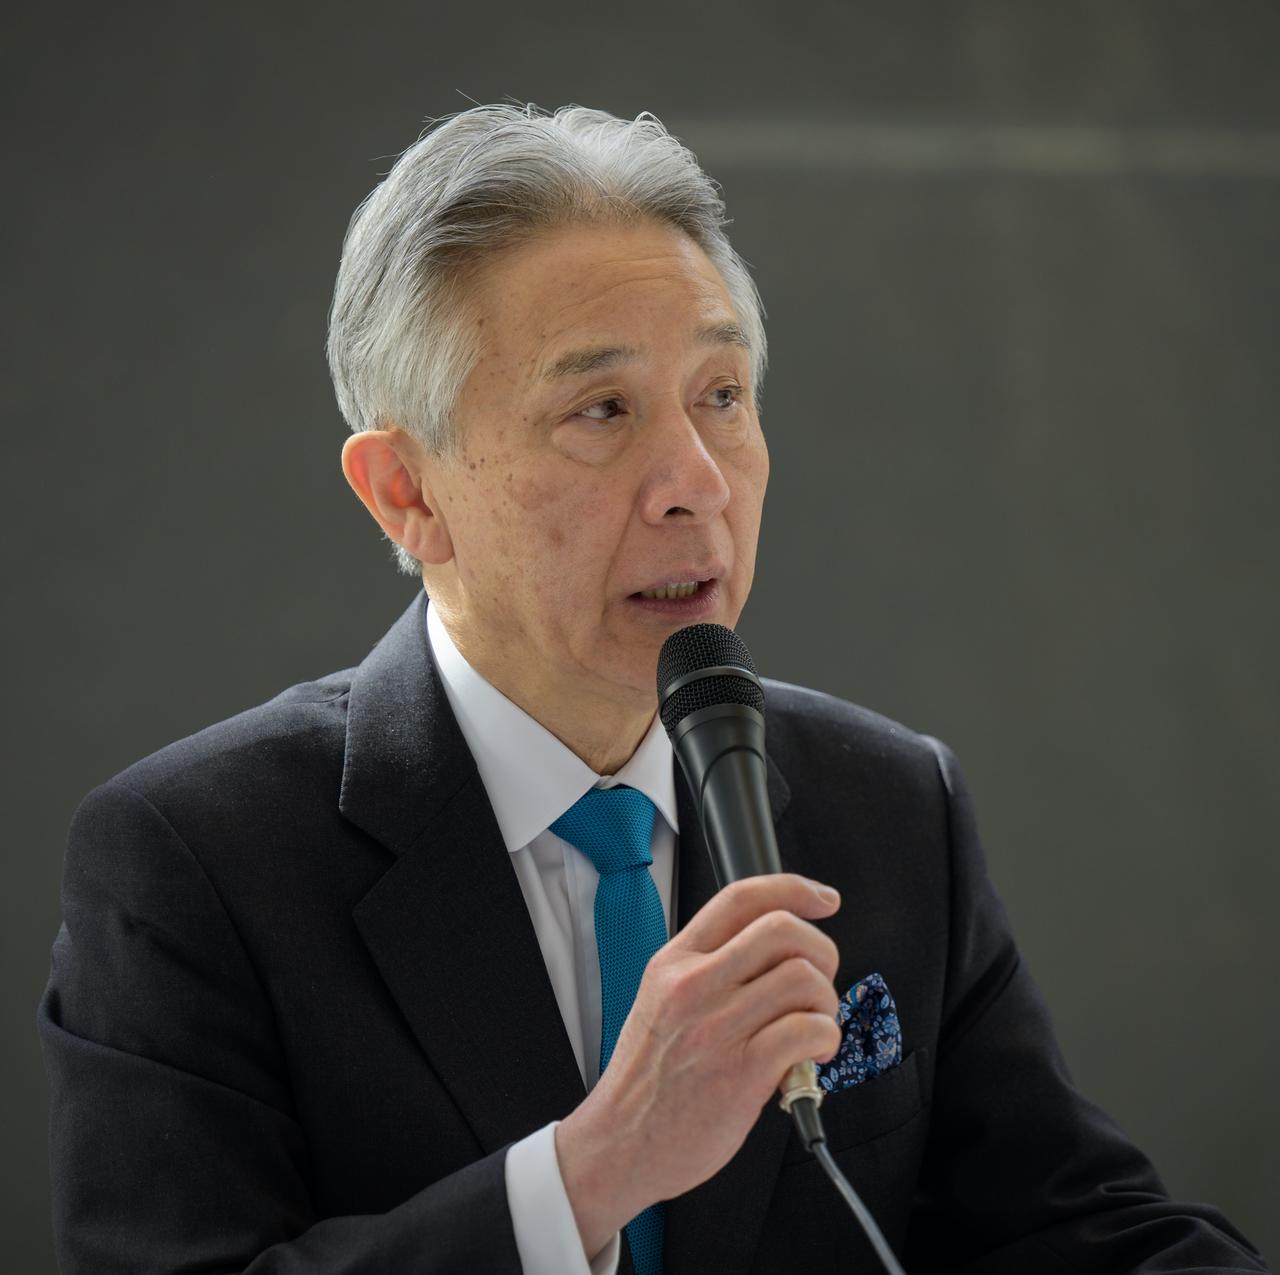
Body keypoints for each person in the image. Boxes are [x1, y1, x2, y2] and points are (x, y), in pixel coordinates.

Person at [38, 103, 1269, 1275]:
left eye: (720, 398)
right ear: (405, 493)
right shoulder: (190, 861)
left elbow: (1070, 1229)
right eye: (601, 408)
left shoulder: (888, 805)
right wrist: (594, 1169)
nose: (697, 483)